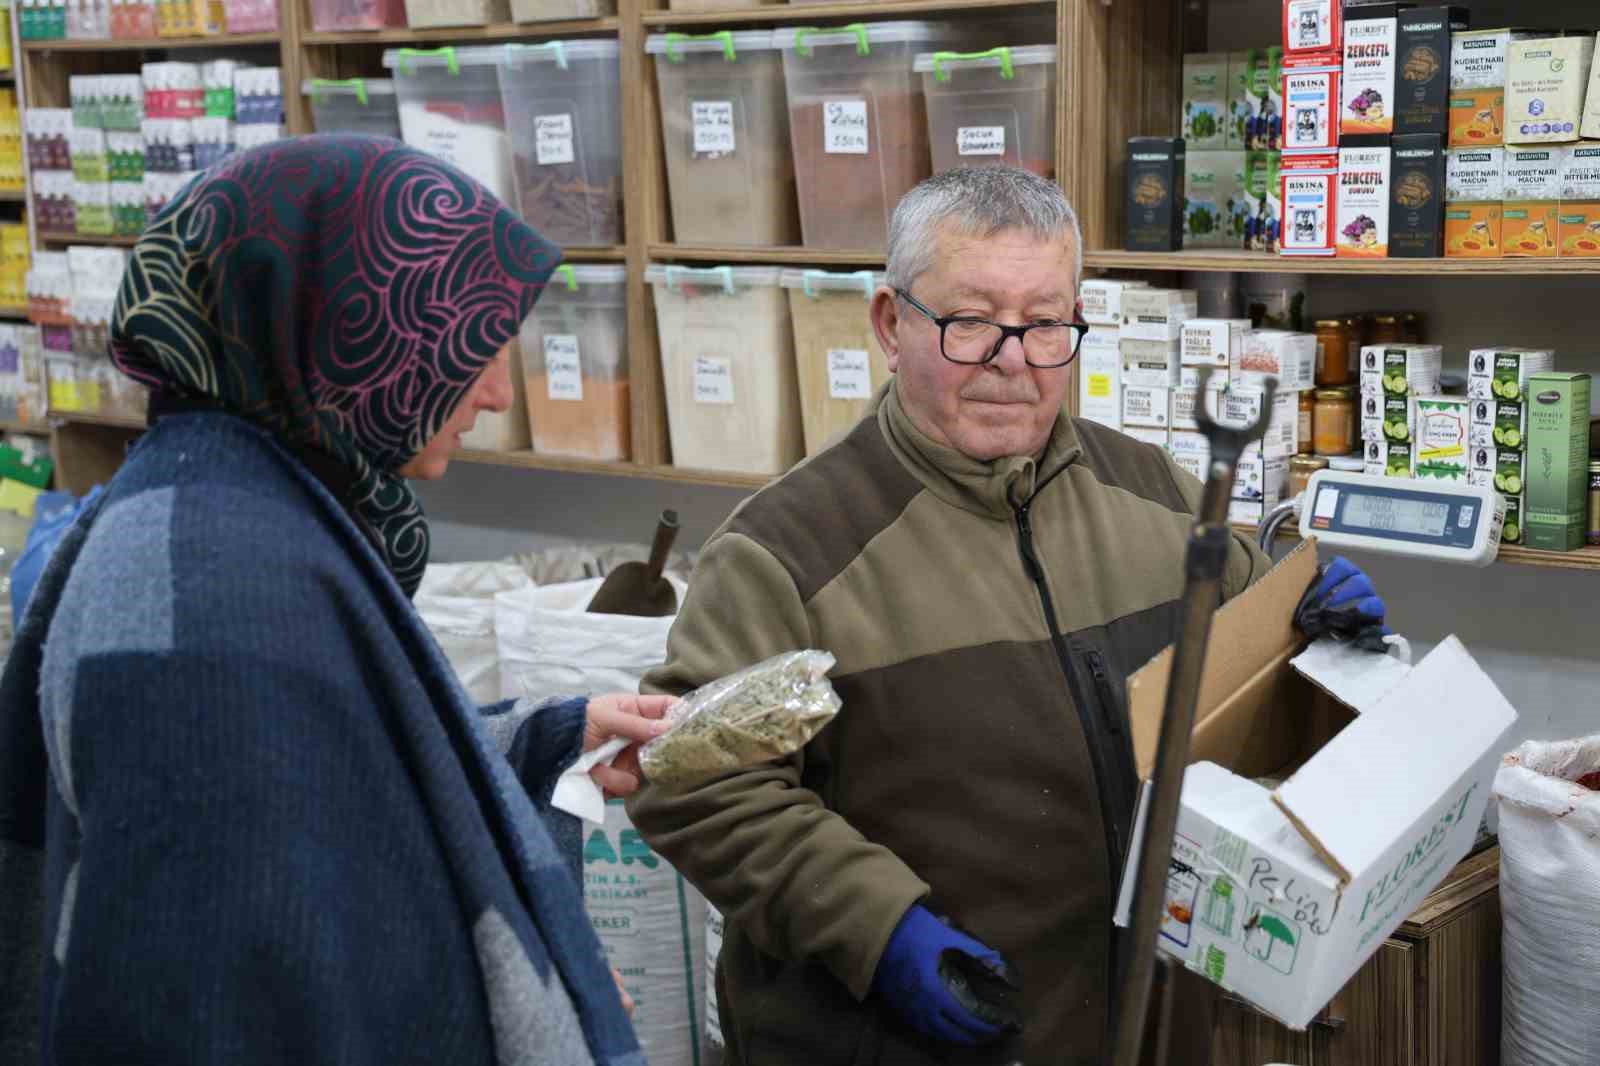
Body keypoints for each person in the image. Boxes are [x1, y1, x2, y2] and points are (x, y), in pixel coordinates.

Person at [627, 167, 1387, 1065]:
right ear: (891, 324)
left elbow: (1249, 682)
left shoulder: (1157, 495)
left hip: (1142, 1030)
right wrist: (880, 927)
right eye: (972, 321)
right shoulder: (788, 552)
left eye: (1045, 324)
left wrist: (1312, 632)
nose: (1013, 359)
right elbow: (693, 783)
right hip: (900, 1040)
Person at [0, 136, 668, 1066]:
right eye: (473, 345)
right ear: (353, 329)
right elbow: (230, 1002)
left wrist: (550, 737)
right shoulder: (213, 592)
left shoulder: (244, 510)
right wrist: (521, 974)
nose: (496, 391)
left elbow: (322, 773)